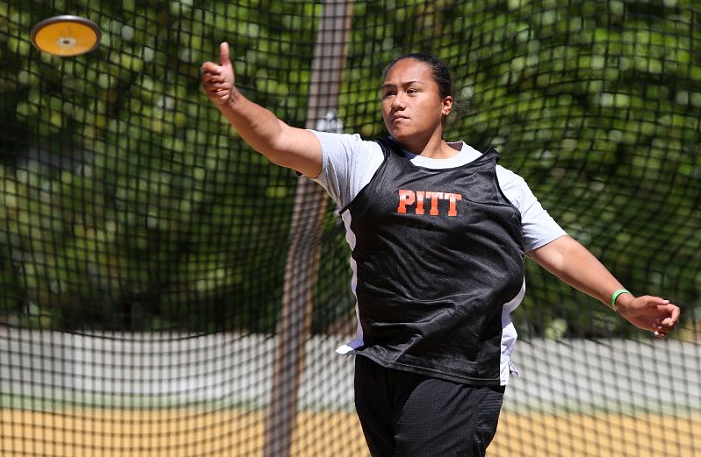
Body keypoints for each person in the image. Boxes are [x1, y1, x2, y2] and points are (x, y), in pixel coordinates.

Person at [201, 42, 681, 456]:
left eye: (412, 91)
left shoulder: (499, 182)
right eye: (389, 92)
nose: (397, 102)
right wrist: (231, 100)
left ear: (446, 103)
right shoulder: (362, 161)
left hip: (460, 368)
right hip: (381, 363)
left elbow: (557, 249)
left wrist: (624, 301)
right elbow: (279, 137)